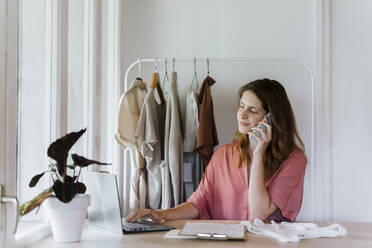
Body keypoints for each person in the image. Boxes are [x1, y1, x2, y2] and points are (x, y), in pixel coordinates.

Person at [126, 78, 307, 223]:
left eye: (252, 110)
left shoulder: (294, 160)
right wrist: (161, 214)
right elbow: (198, 202)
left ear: (271, 118)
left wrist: (259, 154)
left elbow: (259, 215)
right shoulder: (223, 155)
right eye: (241, 106)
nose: (242, 115)